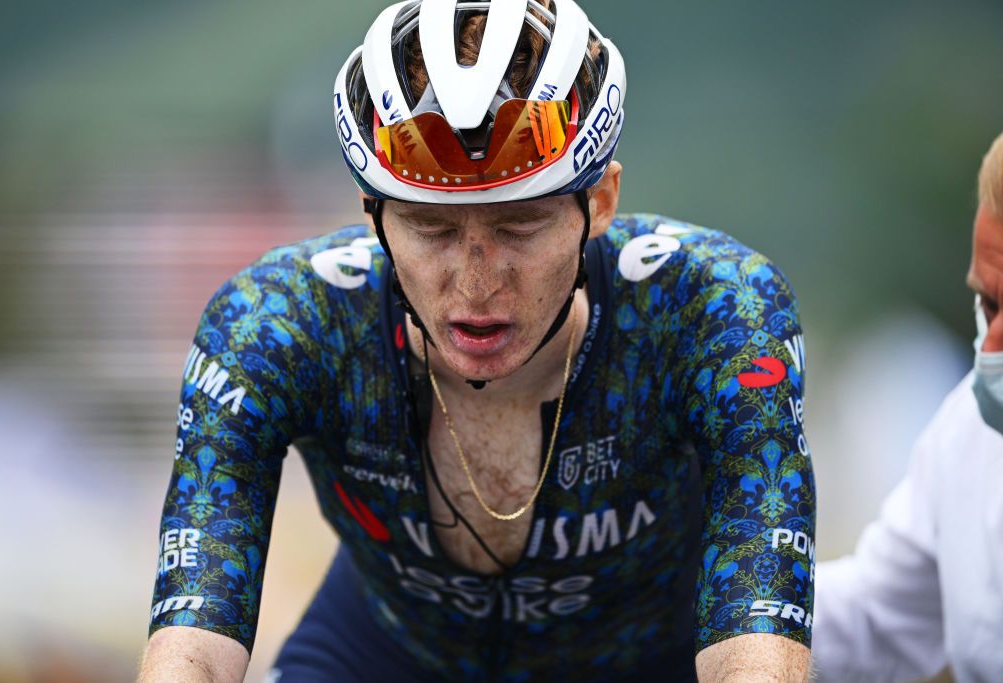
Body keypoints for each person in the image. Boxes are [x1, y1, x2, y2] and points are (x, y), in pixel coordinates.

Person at [138, 1, 816, 680]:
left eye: (520, 223)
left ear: (601, 202)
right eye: (430, 228)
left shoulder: (713, 309)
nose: (475, 282)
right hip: (384, 652)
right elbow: (190, 648)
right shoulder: (278, 322)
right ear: (371, 212)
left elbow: (756, 653)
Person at [812, 132, 1003, 683]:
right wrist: (711, 601)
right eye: (989, 304)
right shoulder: (968, 432)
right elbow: (876, 615)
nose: (992, 347)